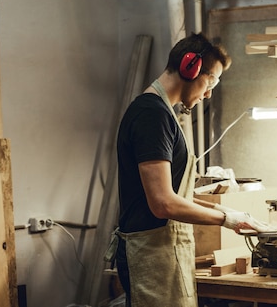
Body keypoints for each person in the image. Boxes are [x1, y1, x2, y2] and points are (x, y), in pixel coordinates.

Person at [111, 33, 268, 307]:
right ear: (190, 68)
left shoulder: (162, 113)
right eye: (211, 82)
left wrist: (226, 211)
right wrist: (225, 221)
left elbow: (173, 193)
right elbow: (162, 203)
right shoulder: (152, 116)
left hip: (162, 252)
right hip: (150, 255)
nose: (208, 93)